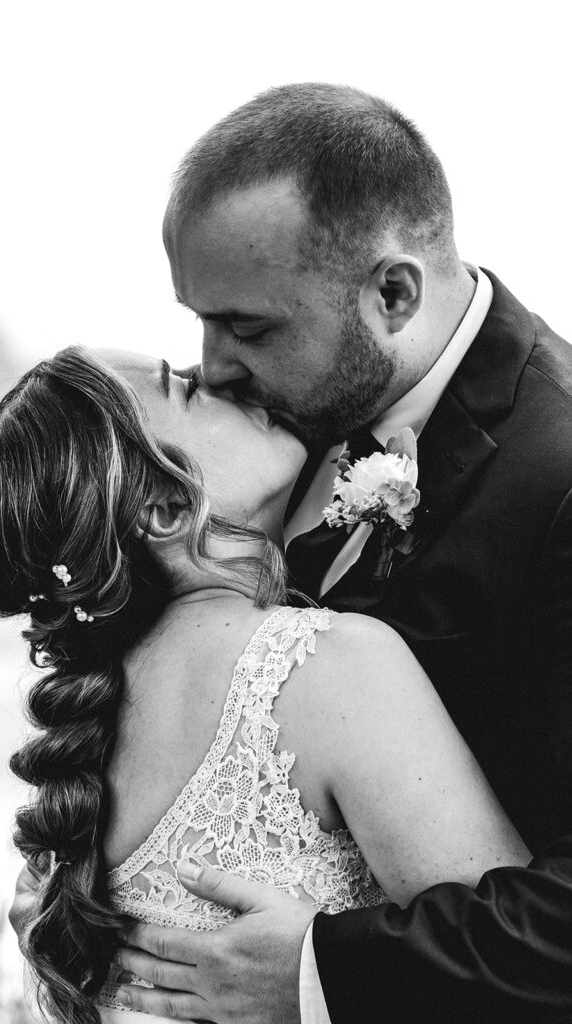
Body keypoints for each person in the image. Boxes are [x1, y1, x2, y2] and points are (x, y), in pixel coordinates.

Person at [110, 84, 572, 1023]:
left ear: (392, 292)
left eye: (247, 327)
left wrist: (323, 974)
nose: (211, 364)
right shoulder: (272, 440)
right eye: (199, 320)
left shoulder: (558, 480)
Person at [0, 345, 530, 1024]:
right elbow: (518, 974)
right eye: (189, 392)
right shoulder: (325, 667)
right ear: (166, 507)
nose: (223, 377)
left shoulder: (86, 754)